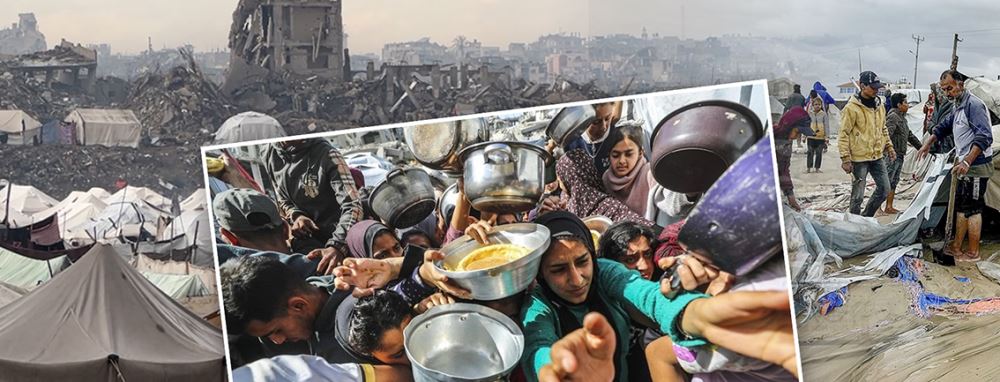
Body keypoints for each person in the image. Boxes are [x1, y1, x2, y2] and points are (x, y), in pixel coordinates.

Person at [521, 211, 796, 381]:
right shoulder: (537, 304)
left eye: (582, 261)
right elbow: (538, 344)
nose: (577, 278)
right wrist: (556, 368)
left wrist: (694, 314)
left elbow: (648, 295)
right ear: (540, 273)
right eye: (558, 269)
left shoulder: (605, 272)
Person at [917, 70, 995, 262]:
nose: (947, 92)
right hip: (964, 165)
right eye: (944, 90)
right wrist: (928, 143)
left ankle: (974, 252)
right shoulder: (957, 106)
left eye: (950, 88)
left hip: (976, 165)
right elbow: (944, 126)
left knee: (973, 209)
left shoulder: (973, 105)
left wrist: (968, 160)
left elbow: (984, 136)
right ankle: (957, 246)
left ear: (961, 84)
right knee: (962, 206)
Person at [263, 138, 364, 274]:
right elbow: (282, 199)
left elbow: (353, 204)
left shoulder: (328, 153)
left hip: (342, 233)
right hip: (310, 238)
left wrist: (338, 245)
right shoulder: (268, 154)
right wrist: (297, 215)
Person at [839, 71, 895, 217]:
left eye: (878, 87)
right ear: (862, 86)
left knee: (885, 189)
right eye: (873, 87)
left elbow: (883, 128)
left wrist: (889, 147)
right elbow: (843, 133)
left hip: (877, 156)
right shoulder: (851, 108)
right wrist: (845, 158)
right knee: (857, 196)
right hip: (858, 159)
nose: (876, 90)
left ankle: (866, 217)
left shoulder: (879, 106)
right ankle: (854, 222)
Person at [346, 290, 415, 366]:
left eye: (415, 340)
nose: (416, 355)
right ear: (371, 354)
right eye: (400, 353)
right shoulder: (357, 367)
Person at [601, 124, 655, 217]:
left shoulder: (650, 174)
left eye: (629, 154)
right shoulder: (606, 179)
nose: (622, 161)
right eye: (615, 155)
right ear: (609, 155)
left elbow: (669, 202)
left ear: (640, 153)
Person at [883, 93, 923, 214]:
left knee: (894, 181)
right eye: (905, 102)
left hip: (900, 154)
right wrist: (888, 150)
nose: (908, 105)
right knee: (886, 181)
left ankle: (889, 206)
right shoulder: (893, 117)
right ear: (899, 104)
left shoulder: (902, 118)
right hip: (892, 154)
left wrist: (922, 148)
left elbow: (909, 135)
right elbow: (887, 134)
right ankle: (877, 208)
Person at [565, 101, 623, 175]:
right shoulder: (571, 141)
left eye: (607, 118)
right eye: (596, 122)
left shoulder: (618, 138)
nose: (604, 127)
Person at [774, 107, 809, 211]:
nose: (797, 136)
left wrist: (790, 195)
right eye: (797, 132)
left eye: (800, 134)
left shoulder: (787, 141)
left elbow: (783, 169)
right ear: (788, 126)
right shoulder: (772, 135)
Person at [805, 97, 829, 173]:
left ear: (821, 105)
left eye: (819, 104)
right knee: (810, 152)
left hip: (820, 138)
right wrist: (804, 136)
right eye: (815, 104)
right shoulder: (809, 114)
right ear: (813, 105)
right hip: (810, 137)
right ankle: (809, 168)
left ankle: (817, 168)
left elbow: (826, 126)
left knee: (819, 153)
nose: (817, 106)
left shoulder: (823, 114)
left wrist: (827, 137)